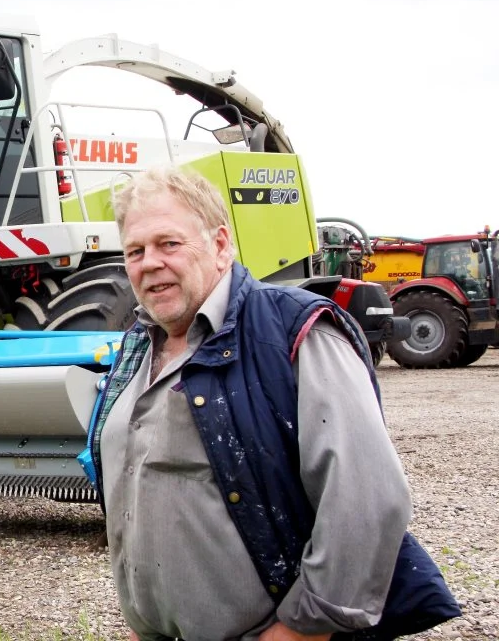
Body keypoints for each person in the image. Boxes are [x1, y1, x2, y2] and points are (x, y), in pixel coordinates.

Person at [77, 167, 459, 641]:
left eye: (168, 244)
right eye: (135, 251)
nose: (149, 262)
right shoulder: (139, 345)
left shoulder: (293, 332)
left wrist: (302, 631)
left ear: (220, 245)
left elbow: (367, 500)